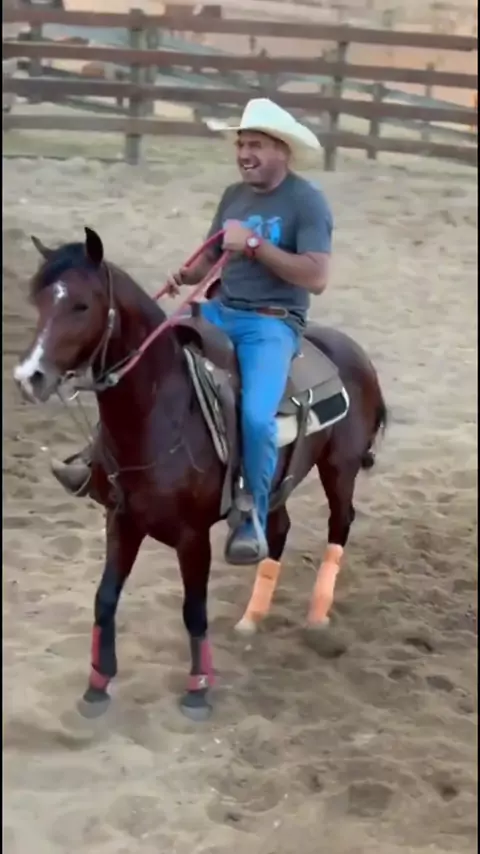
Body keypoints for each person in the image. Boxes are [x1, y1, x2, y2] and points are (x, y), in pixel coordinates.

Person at [51, 98, 334, 565]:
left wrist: (256, 245)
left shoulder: (307, 202)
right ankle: (95, 460)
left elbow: (317, 277)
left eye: (255, 145)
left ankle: (251, 514)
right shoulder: (234, 196)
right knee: (143, 359)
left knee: (257, 417)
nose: (244, 153)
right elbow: (214, 256)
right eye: (241, 144)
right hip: (220, 309)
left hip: (271, 323)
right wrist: (188, 274)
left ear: (281, 150)